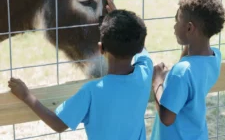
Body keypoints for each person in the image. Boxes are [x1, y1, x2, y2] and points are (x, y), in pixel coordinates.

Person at [8, 8, 153, 140]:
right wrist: (121, 20)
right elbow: (142, 49)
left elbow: (58, 124)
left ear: (101, 48)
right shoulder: (145, 71)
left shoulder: (92, 91)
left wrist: (26, 96)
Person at [151, 0, 225, 140]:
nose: (174, 26)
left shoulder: (182, 72)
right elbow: (189, 63)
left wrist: (157, 81)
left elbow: (167, 118)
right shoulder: (215, 56)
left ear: (190, 28)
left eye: (177, 20)